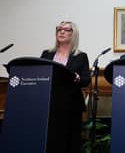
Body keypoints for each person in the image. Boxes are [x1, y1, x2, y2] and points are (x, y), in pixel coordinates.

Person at [40, 21, 91, 153]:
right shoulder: (46, 54)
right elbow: (39, 75)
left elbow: (86, 80)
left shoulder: (80, 56)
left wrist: (78, 78)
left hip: (71, 105)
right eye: (59, 29)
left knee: (70, 142)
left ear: (73, 34)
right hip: (49, 105)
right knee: (50, 141)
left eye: (66, 29)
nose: (61, 32)